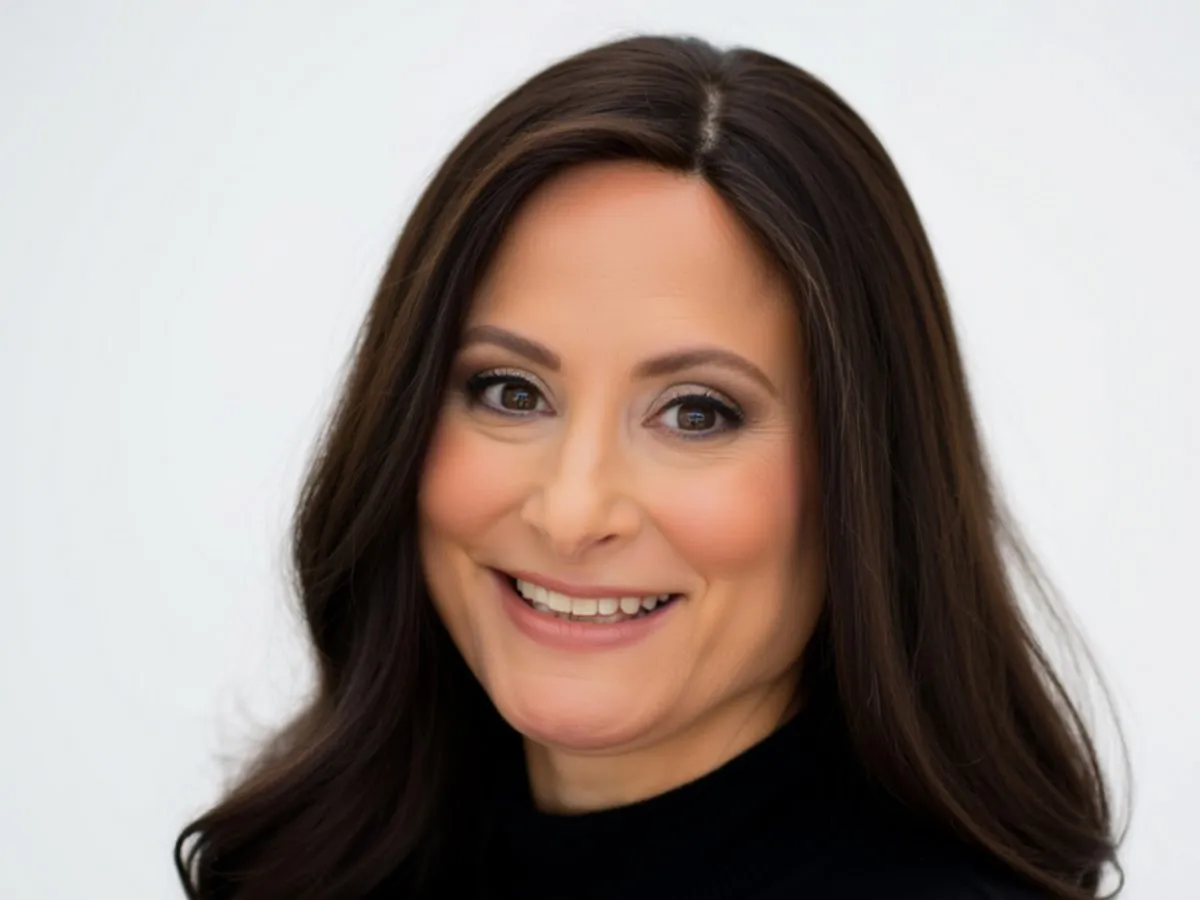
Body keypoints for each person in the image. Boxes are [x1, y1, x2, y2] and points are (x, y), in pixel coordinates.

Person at [175, 34, 1125, 899]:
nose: (572, 511)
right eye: (511, 392)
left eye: (696, 413)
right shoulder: (330, 866)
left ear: (864, 479)